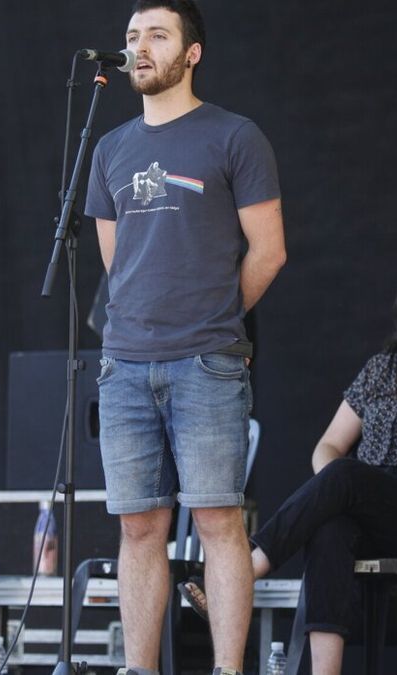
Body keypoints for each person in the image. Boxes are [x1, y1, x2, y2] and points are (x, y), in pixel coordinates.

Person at [82, 1, 287, 673]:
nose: (139, 47)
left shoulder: (234, 136)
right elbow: (118, 263)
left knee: (218, 519)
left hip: (209, 360)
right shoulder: (111, 148)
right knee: (138, 526)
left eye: (157, 35)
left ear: (191, 53)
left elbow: (269, 250)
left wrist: (213, 315)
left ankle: (228, 669)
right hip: (125, 364)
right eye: (132, 36)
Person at [187, 256, 397, 675]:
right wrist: (331, 493)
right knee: (329, 525)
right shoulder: (382, 369)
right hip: (370, 499)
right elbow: (329, 445)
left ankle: (246, 570)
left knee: (345, 476)